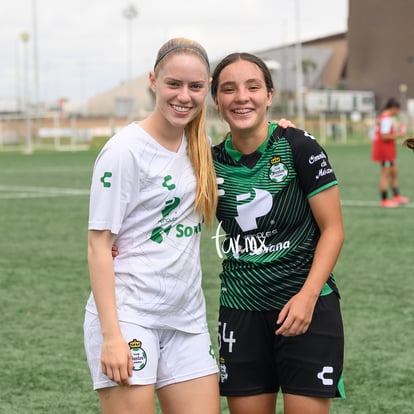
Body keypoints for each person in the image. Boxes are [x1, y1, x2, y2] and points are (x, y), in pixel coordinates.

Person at [84, 37, 221, 414]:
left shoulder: (200, 145)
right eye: (173, 84)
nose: (184, 96)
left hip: (187, 319)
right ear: (153, 81)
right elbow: (98, 246)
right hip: (130, 316)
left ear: (207, 87)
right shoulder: (124, 150)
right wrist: (112, 337)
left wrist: (283, 132)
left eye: (195, 86)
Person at [210, 52, 346, 414]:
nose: (242, 97)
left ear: (269, 96)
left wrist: (308, 297)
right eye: (229, 89)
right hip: (240, 309)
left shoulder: (299, 146)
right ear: (217, 101)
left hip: (304, 306)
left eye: (253, 87)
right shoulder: (207, 162)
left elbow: (333, 229)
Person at [371, 97, 410, 208]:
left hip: (389, 151)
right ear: (393, 108)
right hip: (385, 151)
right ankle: (384, 200)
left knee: (394, 173)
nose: (397, 112)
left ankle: (396, 196)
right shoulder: (386, 118)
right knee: (385, 175)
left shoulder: (388, 117)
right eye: (397, 110)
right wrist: (399, 135)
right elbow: (384, 137)